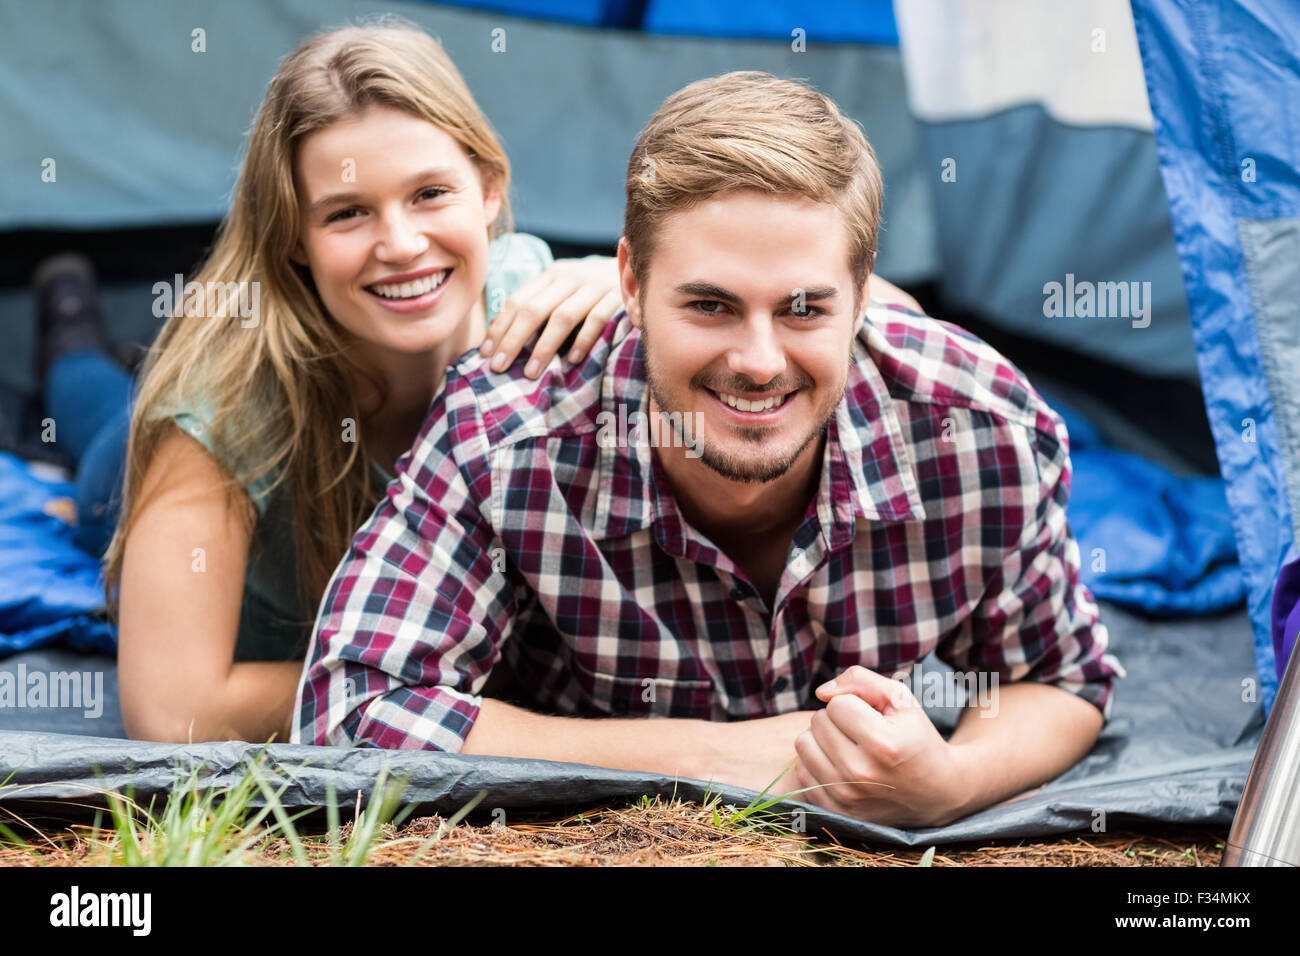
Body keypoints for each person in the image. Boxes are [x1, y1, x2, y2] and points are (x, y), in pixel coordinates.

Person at [295, 70, 1124, 828]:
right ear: (629, 283)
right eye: (710, 306)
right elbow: (351, 711)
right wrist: (729, 757)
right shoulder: (507, 435)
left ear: (863, 293)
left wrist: (954, 779)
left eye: (803, 308)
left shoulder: (978, 430)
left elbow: (1059, 679)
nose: (759, 362)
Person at [102, 20, 628, 746]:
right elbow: (172, 710)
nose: (401, 245)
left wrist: (635, 287)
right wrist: (401, 685)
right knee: (93, 414)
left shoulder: (556, 316)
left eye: (430, 194)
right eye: (348, 212)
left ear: (488, 190)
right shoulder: (219, 406)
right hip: (128, 450)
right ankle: (68, 343)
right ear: (293, 236)